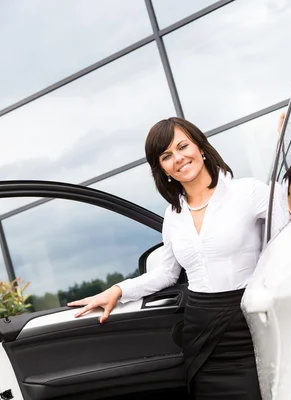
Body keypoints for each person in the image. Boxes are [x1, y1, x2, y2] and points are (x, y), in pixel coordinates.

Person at [68, 117, 269, 399]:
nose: (178, 158)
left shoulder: (249, 192)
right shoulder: (172, 216)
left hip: (249, 320)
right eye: (166, 155)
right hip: (201, 328)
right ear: (162, 169)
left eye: (183, 146)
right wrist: (118, 290)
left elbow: (290, 231)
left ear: (200, 146)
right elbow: (166, 273)